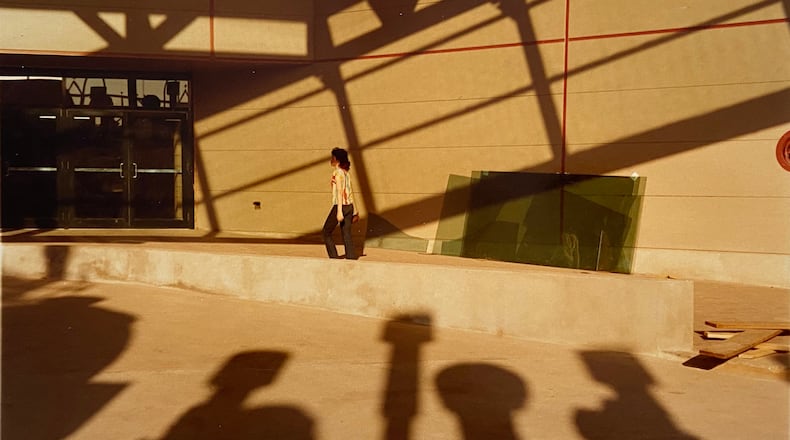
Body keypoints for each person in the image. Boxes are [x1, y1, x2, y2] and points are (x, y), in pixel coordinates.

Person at [322, 148, 359, 259]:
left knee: (326, 232)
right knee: (346, 233)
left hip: (340, 206)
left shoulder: (337, 173)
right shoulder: (346, 173)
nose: (331, 159)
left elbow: (339, 191)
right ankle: (351, 257)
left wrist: (339, 212)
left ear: (337, 159)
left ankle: (333, 257)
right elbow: (350, 191)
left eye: (332, 157)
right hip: (349, 206)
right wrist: (355, 210)